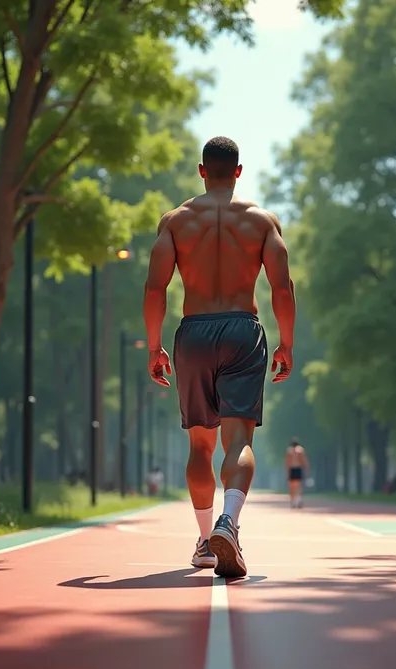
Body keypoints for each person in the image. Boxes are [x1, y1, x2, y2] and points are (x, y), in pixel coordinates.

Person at [143, 136, 296, 578]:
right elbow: (282, 288)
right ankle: (230, 521)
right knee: (239, 442)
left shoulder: (174, 222)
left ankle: (204, 539)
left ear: (201, 170)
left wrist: (155, 347)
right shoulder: (262, 222)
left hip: (192, 333)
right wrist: (286, 343)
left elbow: (155, 289)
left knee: (199, 443)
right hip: (242, 331)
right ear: (239, 172)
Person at [285, 438, 310, 508]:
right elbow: (304, 460)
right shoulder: (300, 450)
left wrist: (287, 472)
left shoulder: (289, 451)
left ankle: (293, 501)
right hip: (298, 468)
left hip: (292, 469)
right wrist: (307, 468)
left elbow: (287, 462)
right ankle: (299, 500)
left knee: (292, 486)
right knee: (299, 486)